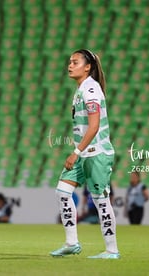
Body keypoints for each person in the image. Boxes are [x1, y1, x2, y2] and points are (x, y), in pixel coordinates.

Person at [50, 49, 119, 259]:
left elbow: (94, 126)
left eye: (75, 62)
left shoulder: (90, 89)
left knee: (100, 201)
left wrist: (75, 152)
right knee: (63, 191)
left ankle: (112, 250)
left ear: (87, 67)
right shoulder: (81, 89)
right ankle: (71, 243)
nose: (70, 65)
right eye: (69, 62)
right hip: (83, 154)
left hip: (96, 153)